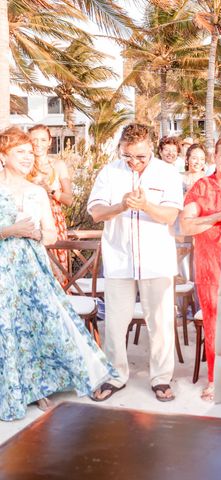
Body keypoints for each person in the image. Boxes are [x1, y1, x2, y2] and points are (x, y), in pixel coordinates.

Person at [0, 127, 113, 421]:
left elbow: (51, 235)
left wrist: (39, 233)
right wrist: (12, 230)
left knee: (32, 325)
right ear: (3, 155)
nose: (27, 157)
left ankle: (36, 388)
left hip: (30, 270)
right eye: (19, 152)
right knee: (5, 327)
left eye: (29, 152)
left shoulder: (37, 191)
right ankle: (9, 388)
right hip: (2, 269)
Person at [88, 124, 183, 403]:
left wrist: (146, 206)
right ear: (121, 149)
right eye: (128, 155)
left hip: (157, 260)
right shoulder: (109, 172)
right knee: (115, 322)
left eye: (140, 157)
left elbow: (169, 216)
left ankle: (161, 378)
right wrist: (121, 205)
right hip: (119, 258)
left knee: (161, 322)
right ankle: (116, 375)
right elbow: (96, 213)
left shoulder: (167, 172)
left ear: (150, 148)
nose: (134, 162)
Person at [179, 137, 221, 401]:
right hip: (210, 263)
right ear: (215, 157)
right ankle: (215, 378)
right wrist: (218, 216)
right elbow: (187, 225)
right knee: (214, 317)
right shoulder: (202, 187)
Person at [28, 124, 73, 280]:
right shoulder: (24, 166)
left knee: (58, 271)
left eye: (42, 140)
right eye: (34, 140)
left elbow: (69, 200)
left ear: (49, 142)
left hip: (54, 221)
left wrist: (51, 190)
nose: (38, 144)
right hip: (30, 221)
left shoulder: (58, 165)